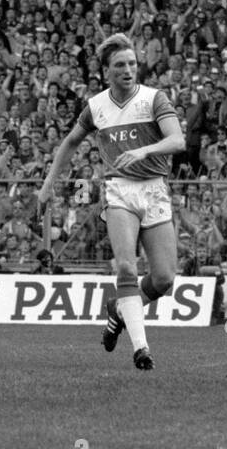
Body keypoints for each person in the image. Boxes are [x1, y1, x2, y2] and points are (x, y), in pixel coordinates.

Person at [37, 33, 185, 371]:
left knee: (163, 278)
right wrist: (49, 182)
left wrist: (145, 150)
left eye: (132, 64)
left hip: (155, 188)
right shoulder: (97, 106)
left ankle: (119, 310)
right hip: (119, 190)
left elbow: (177, 140)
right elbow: (70, 142)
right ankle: (141, 349)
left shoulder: (153, 99)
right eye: (120, 65)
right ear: (106, 71)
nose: (128, 69)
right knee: (125, 266)